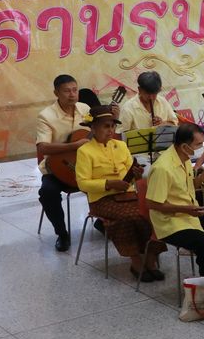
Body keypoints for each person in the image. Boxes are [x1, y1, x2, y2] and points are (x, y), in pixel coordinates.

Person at [75, 105, 164, 281]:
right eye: (105, 126)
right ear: (93, 128)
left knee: (151, 212)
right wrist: (108, 184)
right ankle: (135, 260)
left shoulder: (121, 145)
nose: (110, 130)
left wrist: (135, 175)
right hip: (102, 200)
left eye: (113, 126)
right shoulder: (84, 151)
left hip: (128, 195)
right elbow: (82, 183)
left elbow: (131, 176)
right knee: (128, 217)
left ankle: (151, 257)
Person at [146, 123, 204, 288]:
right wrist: (185, 209)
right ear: (184, 146)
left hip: (189, 215)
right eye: (198, 144)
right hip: (171, 223)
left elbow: (187, 186)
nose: (201, 148)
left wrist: (203, 176)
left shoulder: (184, 159)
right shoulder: (162, 168)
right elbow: (152, 203)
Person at [36, 74, 91, 251]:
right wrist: (74, 145)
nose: (72, 94)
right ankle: (62, 233)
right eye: (67, 91)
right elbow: (43, 147)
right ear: (56, 93)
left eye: (75, 90)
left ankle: (104, 222)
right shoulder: (46, 116)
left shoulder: (85, 109)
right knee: (47, 192)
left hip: (85, 166)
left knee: (113, 180)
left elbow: (95, 133)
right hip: (57, 169)